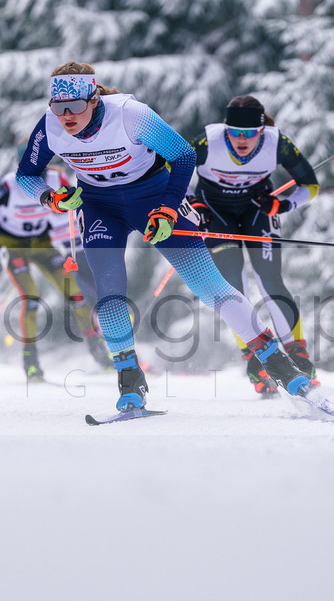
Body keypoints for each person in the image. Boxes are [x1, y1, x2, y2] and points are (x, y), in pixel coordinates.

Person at [15, 61, 310, 412]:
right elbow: (26, 175)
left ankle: (279, 364)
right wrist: (51, 197)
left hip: (152, 199)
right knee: (109, 295)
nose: (66, 116)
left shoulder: (130, 115)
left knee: (210, 288)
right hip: (99, 207)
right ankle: (130, 381)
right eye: (58, 107)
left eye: (75, 106)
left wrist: (170, 208)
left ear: (94, 100)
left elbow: (183, 155)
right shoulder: (49, 126)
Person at [188, 95, 320, 396]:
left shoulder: (277, 142)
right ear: (225, 128)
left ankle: (299, 358)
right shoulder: (208, 141)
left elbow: (310, 185)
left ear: (262, 130)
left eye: (249, 133)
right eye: (234, 132)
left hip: (257, 210)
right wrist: (192, 202)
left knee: (270, 281)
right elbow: (173, 173)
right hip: (215, 213)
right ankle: (256, 360)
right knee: (233, 287)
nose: (241, 139)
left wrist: (282, 205)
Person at [0, 150, 111, 381]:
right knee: (31, 298)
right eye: (31, 171)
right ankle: (31, 364)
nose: (37, 177)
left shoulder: (56, 179)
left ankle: (102, 356)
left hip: (43, 244)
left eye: (40, 169)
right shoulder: (9, 186)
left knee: (77, 296)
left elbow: (74, 198)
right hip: (13, 247)